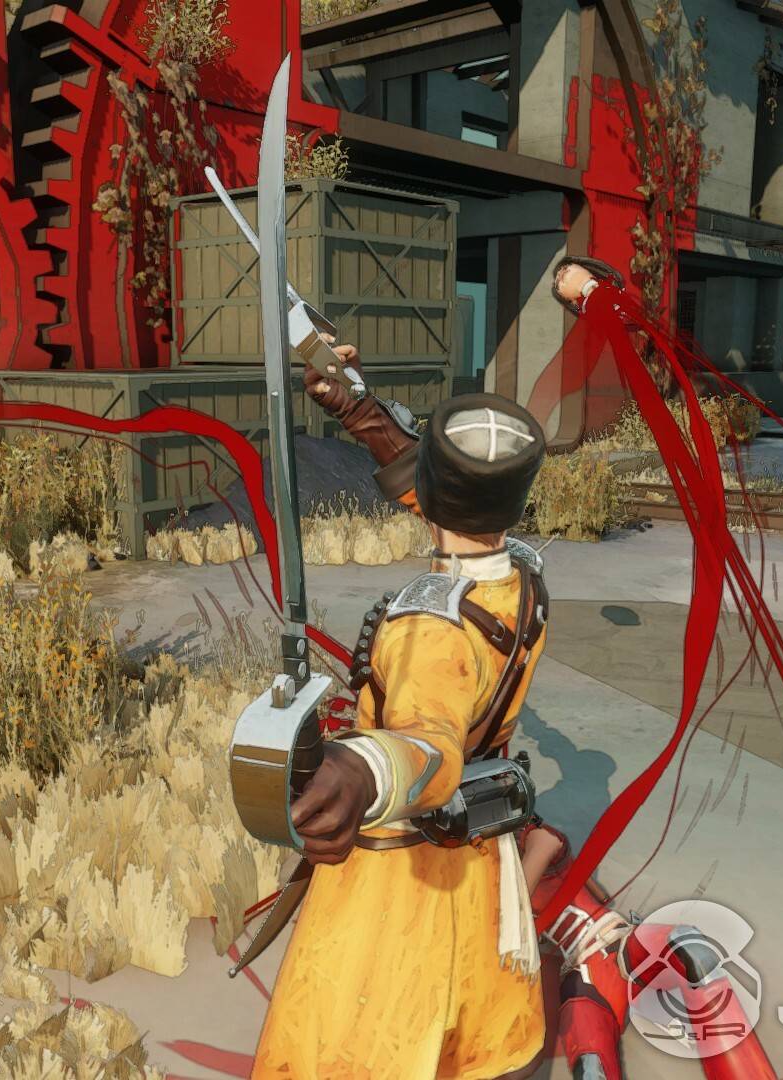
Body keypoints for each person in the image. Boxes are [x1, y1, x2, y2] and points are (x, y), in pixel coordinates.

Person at [247, 352, 553, 1079]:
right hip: (476, 849)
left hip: (400, 869)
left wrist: (364, 769)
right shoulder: (522, 578)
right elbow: (441, 492)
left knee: (355, 1043)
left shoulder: (431, 626)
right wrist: (357, 409)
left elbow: (429, 739)